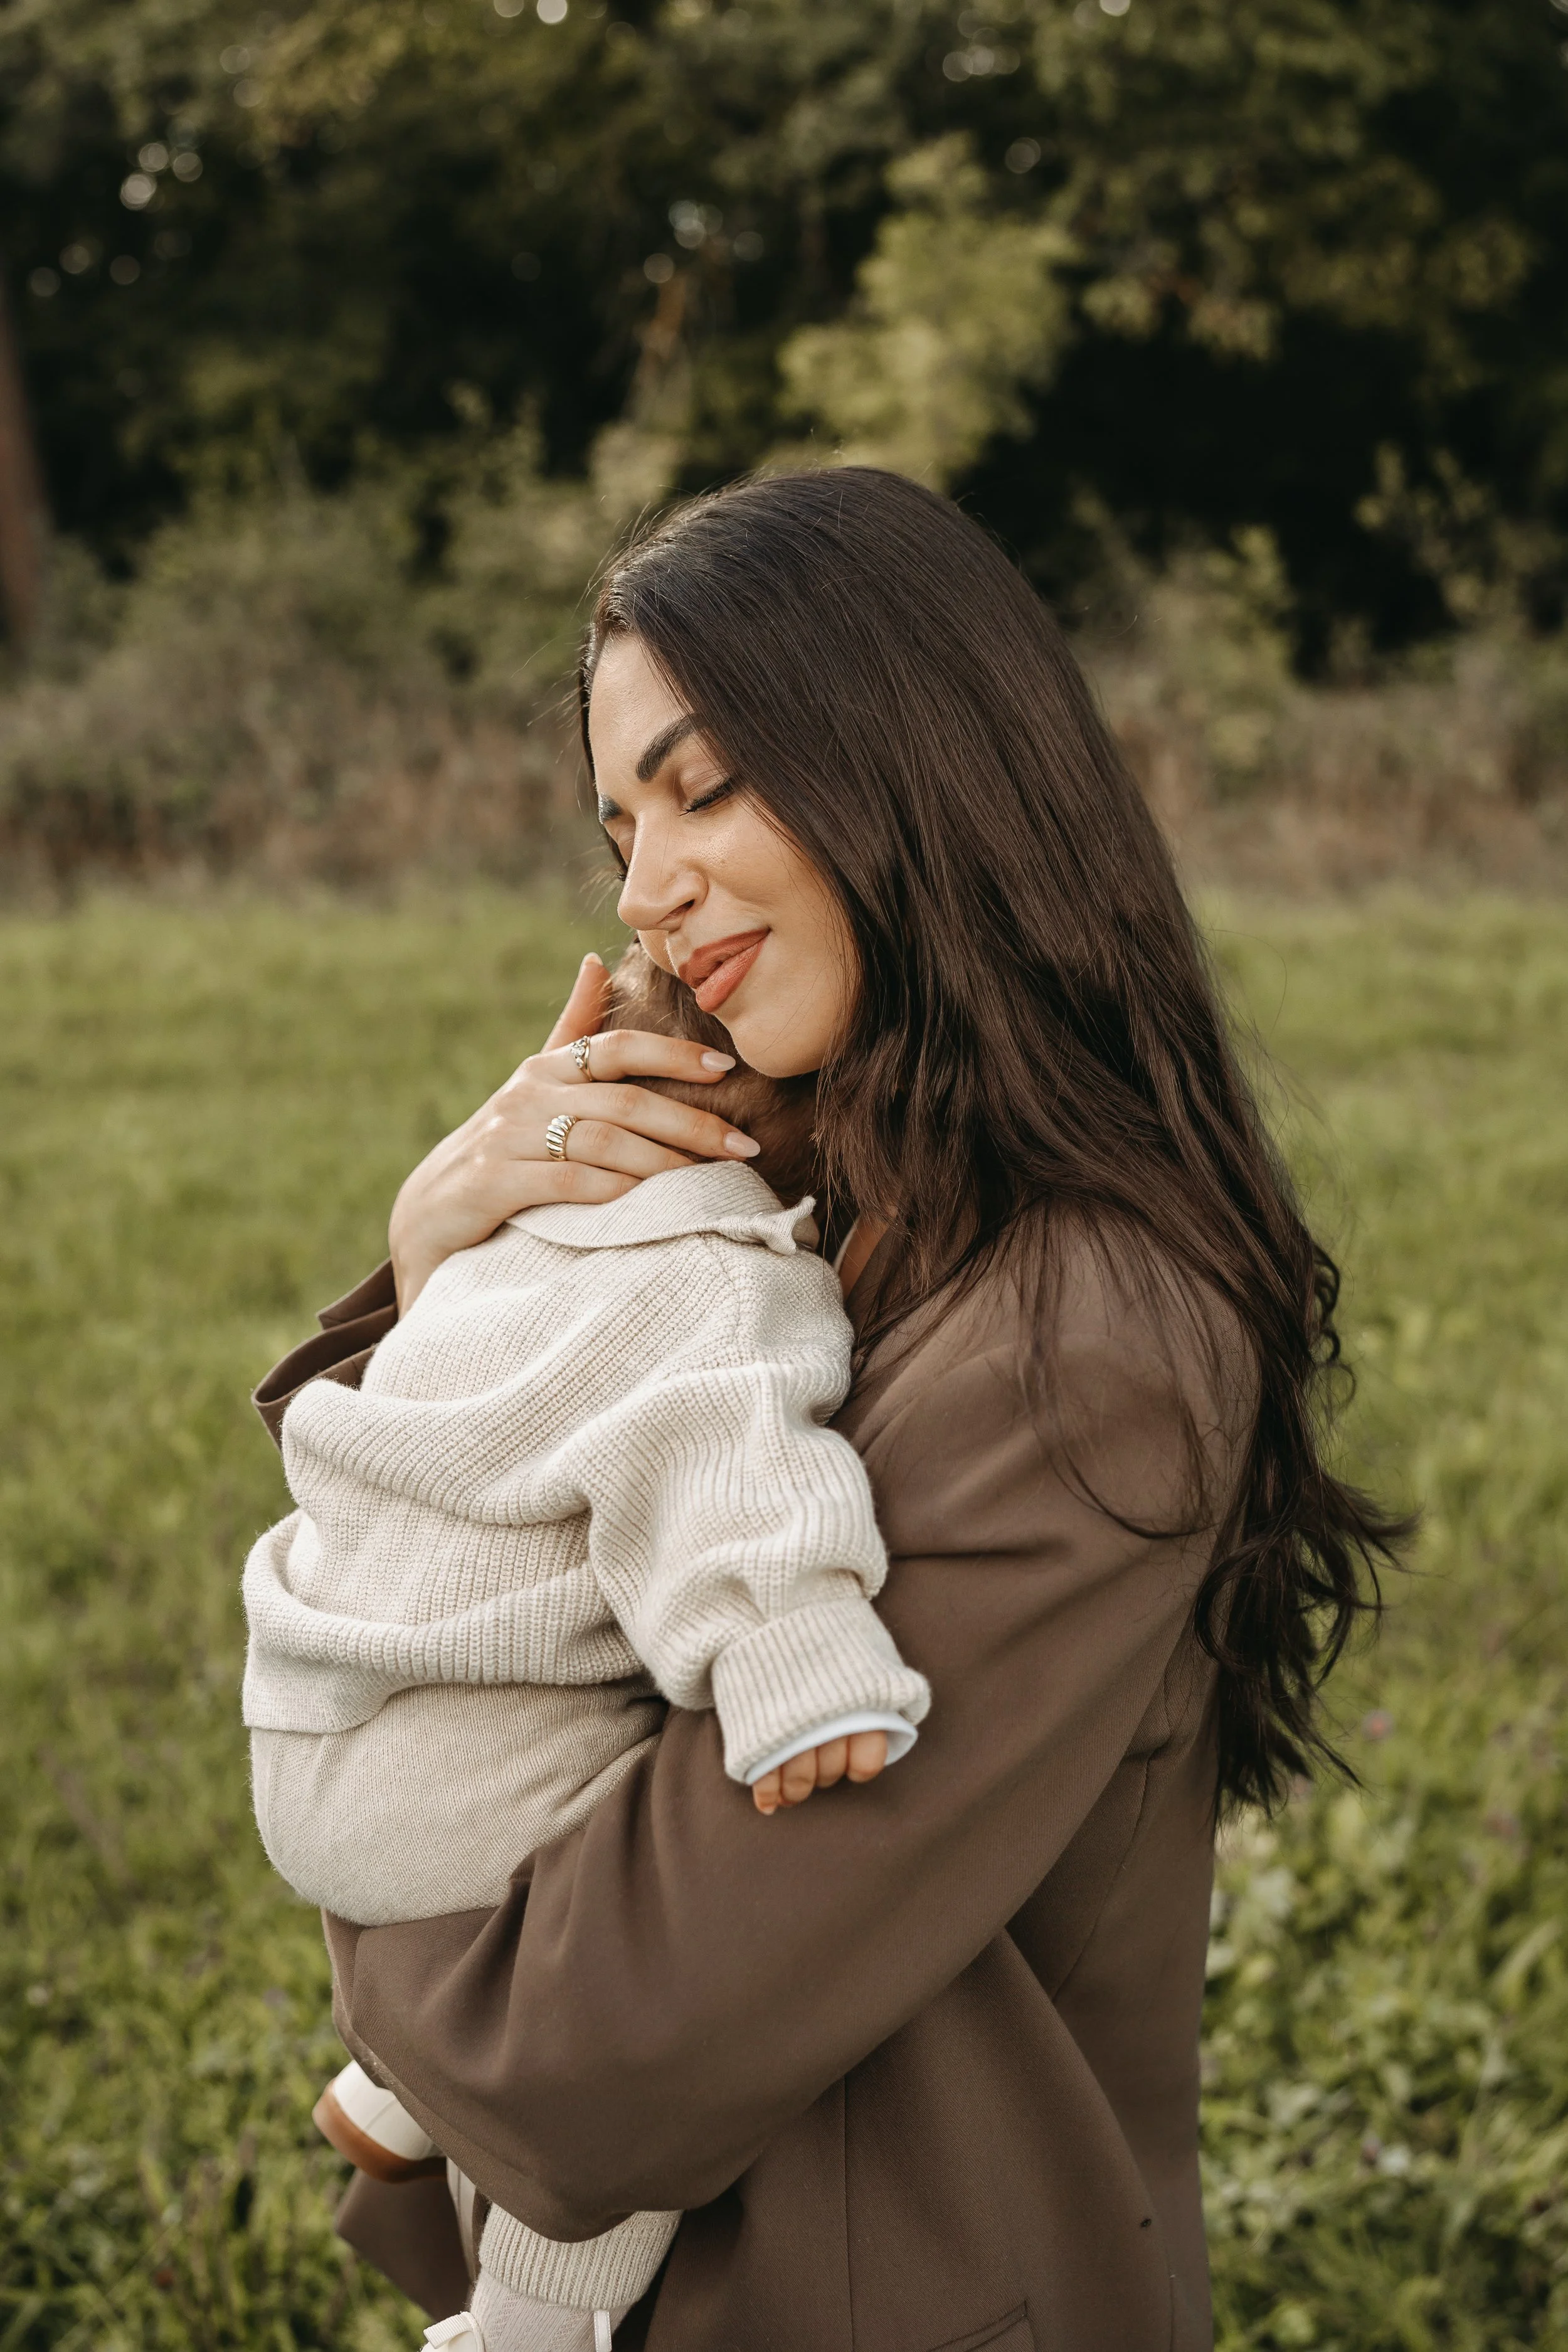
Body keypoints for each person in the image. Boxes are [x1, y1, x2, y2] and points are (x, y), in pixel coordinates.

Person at [253, 469, 1404, 2352]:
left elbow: (583, 2039)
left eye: (707, 788)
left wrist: (351, 1819)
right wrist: (442, 1262)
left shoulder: (1089, 1336)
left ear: (924, 763)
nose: (645, 886)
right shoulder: (824, 1208)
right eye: (619, 825)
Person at [241, 943, 930, 2351]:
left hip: (318, 1739)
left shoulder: (506, 1247)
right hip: (449, 1807)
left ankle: (394, 2094)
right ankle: (529, 2323)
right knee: (654, 1983)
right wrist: (796, 1667)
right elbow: (728, 1469)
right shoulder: (723, 1271)